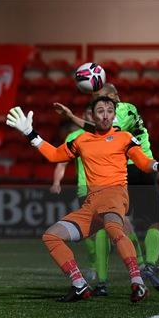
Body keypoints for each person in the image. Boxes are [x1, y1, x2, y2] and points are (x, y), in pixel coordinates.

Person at [6, 96, 159, 302]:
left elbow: (143, 162)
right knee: (51, 236)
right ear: (92, 115)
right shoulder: (81, 140)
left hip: (114, 195)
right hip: (92, 204)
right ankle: (79, 285)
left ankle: (137, 283)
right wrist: (30, 134)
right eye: (100, 110)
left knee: (113, 228)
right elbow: (55, 155)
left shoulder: (124, 137)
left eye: (110, 110)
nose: (106, 115)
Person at [54, 83, 159, 293]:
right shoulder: (126, 110)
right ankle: (148, 265)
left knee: (110, 224)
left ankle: (106, 280)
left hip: (126, 169)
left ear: (115, 96)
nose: (101, 101)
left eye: (104, 96)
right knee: (151, 222)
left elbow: (104, 129)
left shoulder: (123, 110)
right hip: (135, 168)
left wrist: (71, 117)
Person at [50, 106, 102, 286]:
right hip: (84, 190)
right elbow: (62, 164)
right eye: (87, 114)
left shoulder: (107, 134)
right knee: (90, 233)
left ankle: (140, 266)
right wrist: (56, 182)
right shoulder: (74, 137)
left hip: (107, 190)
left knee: (116, 229)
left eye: (92, 114)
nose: (90, 117)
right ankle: (96, 269)